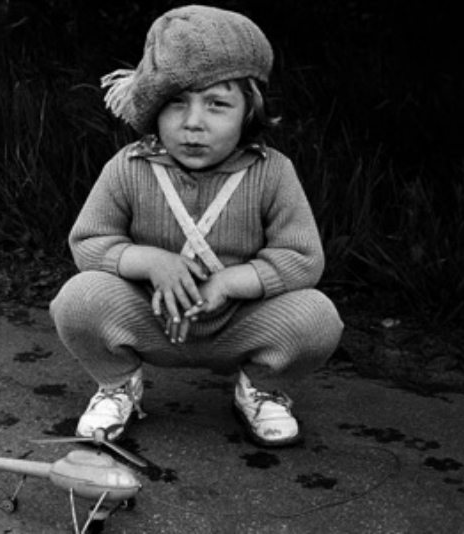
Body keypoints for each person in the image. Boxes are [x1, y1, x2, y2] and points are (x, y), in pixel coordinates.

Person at [50, 5, 343, 448]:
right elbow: (89, 242)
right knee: (78, 298)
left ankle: (261, 388)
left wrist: (228, 283)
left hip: (238, 322)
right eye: (176, 103)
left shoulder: (273, 172)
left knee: (317, 317)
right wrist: (151, 262)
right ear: (153, 108)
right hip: (148, 316)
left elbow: (302, 258)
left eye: (217, 105)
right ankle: (117, 385)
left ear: (249, 112)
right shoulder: (129, 167)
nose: (193, 123)